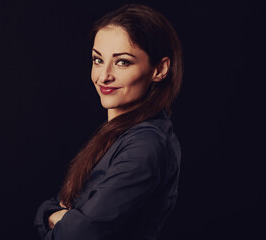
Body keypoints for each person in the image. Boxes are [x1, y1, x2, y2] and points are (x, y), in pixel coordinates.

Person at [34, 3, 183, 240]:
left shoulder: (146, 145)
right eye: (98, 60)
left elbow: (78, 234)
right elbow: (48, 209)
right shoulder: (118, 135)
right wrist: (53, 215)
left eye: (122, 62)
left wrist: (61, 218)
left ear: (160, 69)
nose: (104, 76)